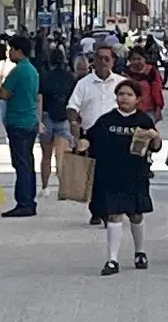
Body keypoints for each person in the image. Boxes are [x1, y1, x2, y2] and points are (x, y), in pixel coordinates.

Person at [76, 80, 162, 276]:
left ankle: (140, 252)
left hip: (136, 175)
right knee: (114, 215)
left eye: (129, 94)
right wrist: (83, 142)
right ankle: (112, 259)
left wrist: (154, 136)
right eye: (121, 94)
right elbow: (91, 138)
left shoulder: (144, 121)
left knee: (136, 215)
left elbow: (155, 146)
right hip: (111, 175)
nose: (124, 98)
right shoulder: (106, 120)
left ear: (138, 99)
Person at [67, 45, 126, 226]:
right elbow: (72, 106)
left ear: (113, 61)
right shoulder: (84, 84)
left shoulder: (121, 83)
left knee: (113, 175)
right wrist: (74, 123)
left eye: (107, 59)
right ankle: (96, 210)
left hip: (116, 135)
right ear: (94, 61)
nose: (103, 62)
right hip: (92, 136)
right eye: (100, 58)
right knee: (95, 175)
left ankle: (109, 211)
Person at [0, 35, 41, 217]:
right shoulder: (32, 70)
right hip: (30, 120)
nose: (8, 53)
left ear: (17, 50)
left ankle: (24, 202)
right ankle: (30, 199)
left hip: (18, 120)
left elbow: (3, 93)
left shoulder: (17, 71)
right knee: (27, 162)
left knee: (20, 163)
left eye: (10, 49)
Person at [37, 50, 76, 196]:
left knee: (46, 156)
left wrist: (39, 120)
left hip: (47, 117)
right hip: (64, 117)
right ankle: (63, 188)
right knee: (61, 155)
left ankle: (45, 187)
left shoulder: (44, 77)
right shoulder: (70, 77)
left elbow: (39, 99)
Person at [124, 46, 164, 122]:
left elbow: (157, 90)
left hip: (149, 111)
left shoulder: (152, 72)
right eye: (134, 59)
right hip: (130, 111)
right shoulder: (125, 73)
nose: (136, 62)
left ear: (144, 59)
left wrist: (158, 108)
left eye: (139, 59)